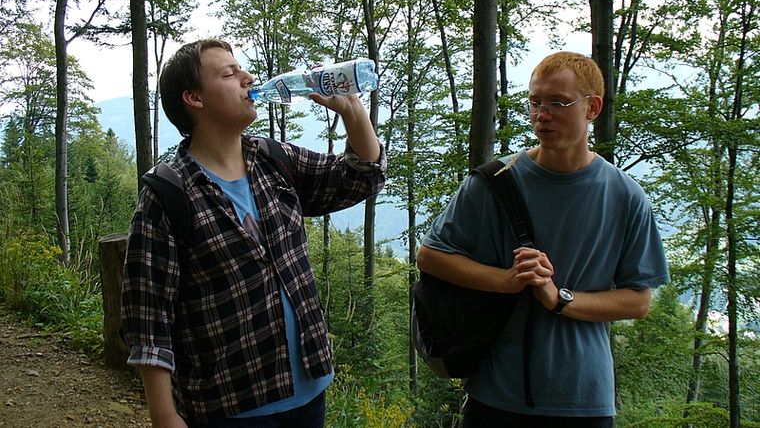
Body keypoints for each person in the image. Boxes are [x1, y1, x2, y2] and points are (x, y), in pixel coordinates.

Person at [121, 39, 386, 428]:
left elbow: (361, 177)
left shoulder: (272, 159)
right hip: (231, 405)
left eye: (241, 69)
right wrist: (164, 415)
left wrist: (352, 109)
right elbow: (148, 314)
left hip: (310, 390)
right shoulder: (168, 193)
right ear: (194, 98)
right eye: (229, 74)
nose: (247, 78)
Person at [417, 51, 669, 428]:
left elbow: (638, 300)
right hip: (496, 391)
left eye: (557, 103)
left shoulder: (625, 196)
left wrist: (559, 298)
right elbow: (431, 256)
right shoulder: (494, 182)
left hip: (583, 397)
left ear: (593, 108)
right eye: (535, 102)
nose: (542, 115)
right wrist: (505, 280)